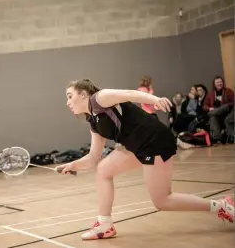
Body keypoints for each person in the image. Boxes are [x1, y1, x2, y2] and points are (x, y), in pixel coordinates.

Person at [57, 79, 234, 240]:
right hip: (136, 147)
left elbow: (128, 94)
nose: (67, 102)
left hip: (154, 142)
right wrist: (72, 165)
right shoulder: (93, 120)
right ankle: (105, 225)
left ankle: (222, 206)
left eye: (70, 96)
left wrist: (154, 100)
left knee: (162, 200)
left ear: (83, 94)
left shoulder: (100, 98)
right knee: (103, 169)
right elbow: (93, 157)